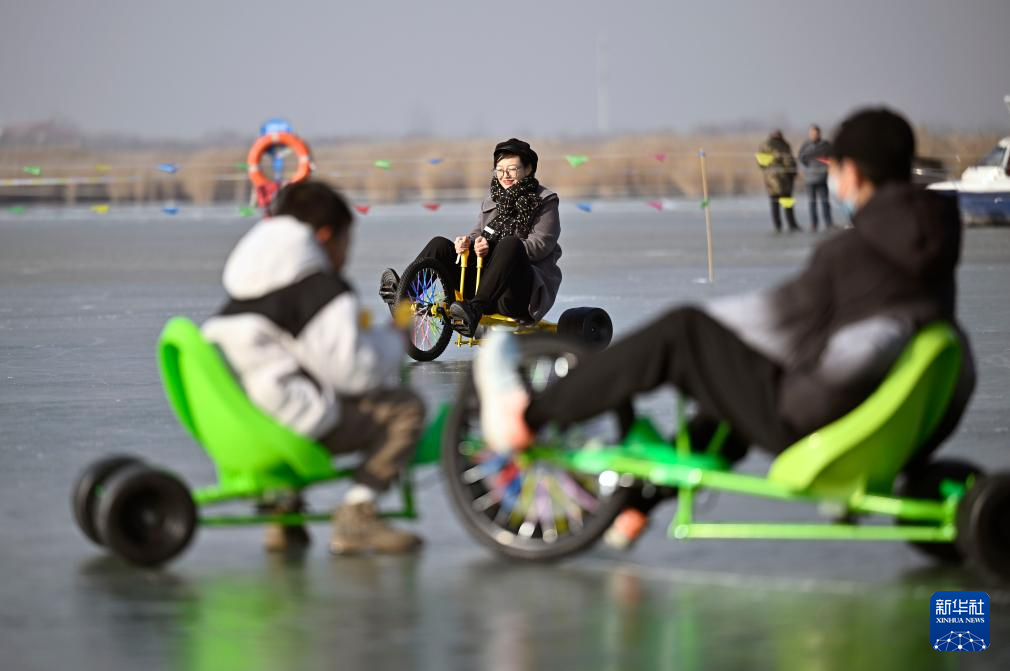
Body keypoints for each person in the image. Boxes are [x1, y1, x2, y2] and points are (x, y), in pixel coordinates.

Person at [473, 108, 976, 550]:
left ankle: (529, 416)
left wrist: (710, 334)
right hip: (864, 407)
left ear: (855, 173)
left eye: (835, 169)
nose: (834, 182)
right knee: (730, 395)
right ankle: (639, 504)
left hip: (816, 414)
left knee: (684, 331)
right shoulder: (922, 240)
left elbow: (780, 318)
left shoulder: (858, 251)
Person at [202, 180, 425, 555]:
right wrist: (395, 340)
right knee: (405, 409)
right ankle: (357, 514)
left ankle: (283, 512)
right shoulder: (318, 290)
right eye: (345, 243)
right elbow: (354, 372)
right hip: (288, 420)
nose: (345, 255)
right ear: (325, 236)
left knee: (300, 385)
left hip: (241, 419)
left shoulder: (246, 284)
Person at [379, 138, 562, 337]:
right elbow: (477, 234)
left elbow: (541, 244)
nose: (505, 175)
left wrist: (492, 247)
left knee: (511, 245)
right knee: (440, 244)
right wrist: (467, 242)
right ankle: (404, 297)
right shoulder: (493, 200)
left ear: (528, 169)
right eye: (499, 170)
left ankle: (474, 309)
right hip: (480, 282)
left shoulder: (545, 200)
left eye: (512, 169)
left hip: (516, 294)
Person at [759, 130, 801, 232]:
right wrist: (792, 172)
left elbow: (761, 163)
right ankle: (791, 224)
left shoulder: (765, 145)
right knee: (785, 202)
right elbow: (789, 161)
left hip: (771, 179)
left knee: (775, 202)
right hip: (783, 178)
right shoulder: (783, 145)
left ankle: (778, 225)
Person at [798, 124, 834, 231]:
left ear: (819, 133)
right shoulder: (806, 145)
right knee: (812, 203)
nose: (814, 135)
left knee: (825, 202)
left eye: (816, 133)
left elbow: (832, 158)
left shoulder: (825, 145)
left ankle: (828, 223)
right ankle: (814, 224)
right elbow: (801, 158)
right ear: (810, 134)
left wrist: (827, 167)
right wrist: (807, 169)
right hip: (810, 179)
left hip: (823, 178)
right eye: (812, 133)